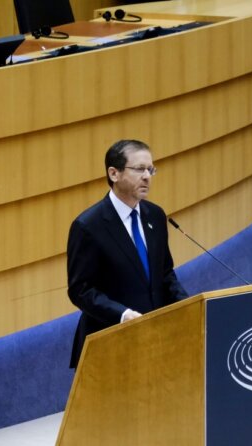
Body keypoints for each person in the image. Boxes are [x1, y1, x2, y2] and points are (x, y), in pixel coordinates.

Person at [66, 139, 188, 368]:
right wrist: (122, 315)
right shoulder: (88, 226)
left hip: (155, 338)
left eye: (150, 169)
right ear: (114, 173)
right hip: (109, 343)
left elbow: (164, 273)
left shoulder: (155, 216)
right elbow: (80, 290)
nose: (147, 176)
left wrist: (187, 305)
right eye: (139, 169)